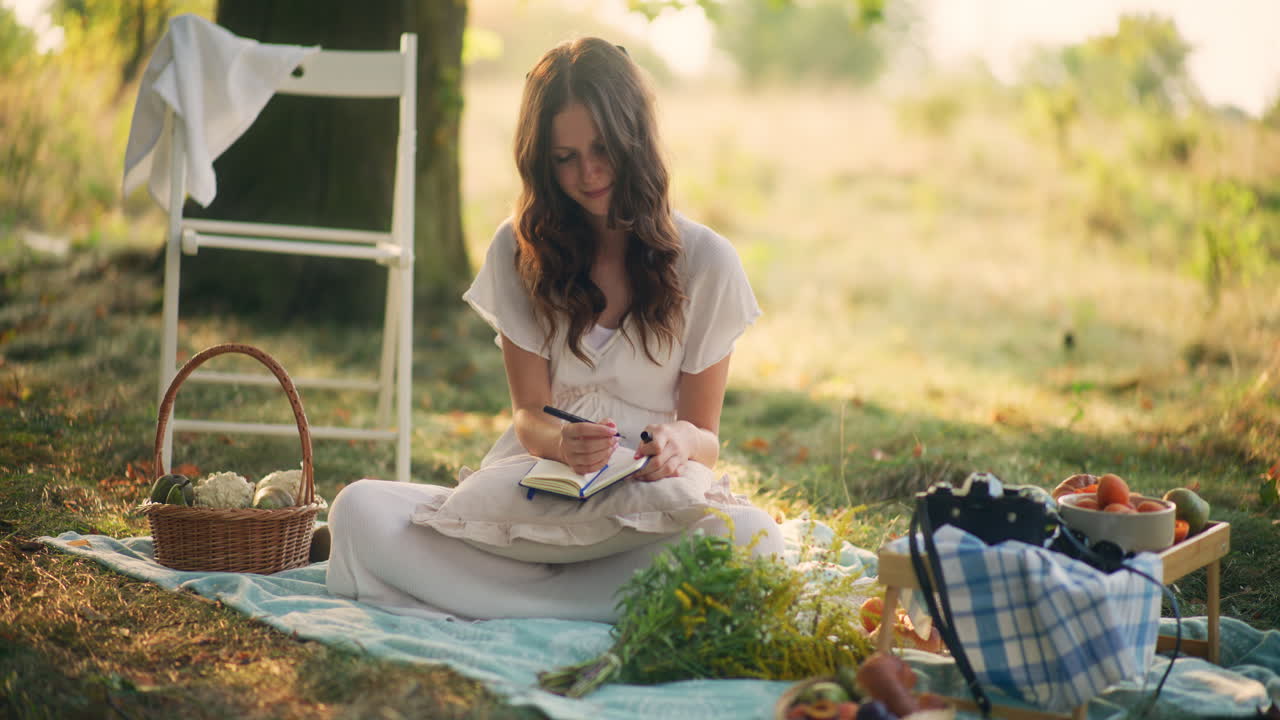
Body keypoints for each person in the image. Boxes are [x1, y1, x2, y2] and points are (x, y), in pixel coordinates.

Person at [325, 37, 783, 622]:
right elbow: (528, 414)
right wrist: (563, 443)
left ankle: (507, 600)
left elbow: (707, 438)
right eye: (564, 157)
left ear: (634, 140)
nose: (587, 173)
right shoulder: (518, 249)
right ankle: (595, 605)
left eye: (601, 149)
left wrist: (677, 442)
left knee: (754, 537)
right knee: (358, 510)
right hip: (540, 490)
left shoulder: (707, 261)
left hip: (649, 503)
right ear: (541, 161)